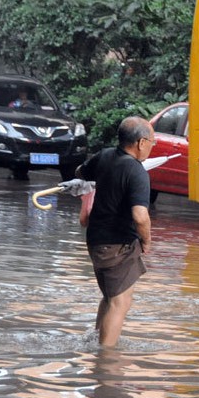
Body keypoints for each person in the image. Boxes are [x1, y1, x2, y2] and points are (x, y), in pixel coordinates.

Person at [76, 116, 155, 348]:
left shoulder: (105, 156)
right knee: (120, 302)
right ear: (141, 142)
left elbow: (81, 172)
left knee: (110, 298)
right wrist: (147, 241)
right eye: (152, 142)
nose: (152, 147)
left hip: (96, 241)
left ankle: (96, 341)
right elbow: (140, 216)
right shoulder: (138, 172)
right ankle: (106, 360)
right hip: (118, 245)